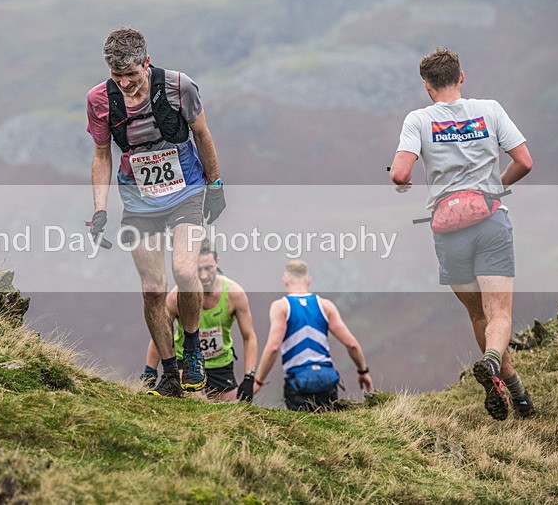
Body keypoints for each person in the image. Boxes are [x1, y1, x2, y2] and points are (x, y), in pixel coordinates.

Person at [389, 47, 535, 420]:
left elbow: (400, 174)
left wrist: (403, 184)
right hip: (490, 221)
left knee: (479, 316)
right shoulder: (490, 110)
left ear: (427, 86)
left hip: (449, 230)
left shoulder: (418, 120)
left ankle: (515, 390)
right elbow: (524, 162)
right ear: (462, 77)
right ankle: (494, 365)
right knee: (499, 312)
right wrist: (493, 190)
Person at [86, 27, 226, 397]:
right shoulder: (100, 100)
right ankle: (168, 371)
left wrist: (215, 185)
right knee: (152, 289)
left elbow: (202, 135)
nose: (126, 84)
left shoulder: (181, 86)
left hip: (186, 193)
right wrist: (100, 210)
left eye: (132, 75)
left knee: (183, 269)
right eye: (118, 77)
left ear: (146, 63)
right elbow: (102, 155)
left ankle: (192, 347)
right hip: (137, 199)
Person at [141, 241, 258, 401]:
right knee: (193, 401)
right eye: (198, 269)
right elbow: (162, 334)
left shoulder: (234, 294)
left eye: (208, 268)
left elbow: (249, 337)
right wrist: (150, 371)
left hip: (220, 365)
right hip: (186, 363)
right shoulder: (176, 297)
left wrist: (249, 378)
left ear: (217, 262)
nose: (203, 275)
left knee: (231, 413)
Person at [253, 261, 373, 412]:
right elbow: (352, 344)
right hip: (326, 381)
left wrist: (258, 381)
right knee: (329, 428)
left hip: (298, 383)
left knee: (301, 432)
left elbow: (273, 347)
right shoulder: (325, 306)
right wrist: (363, 372)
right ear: (309, 280)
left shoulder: (281, 307)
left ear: (285, 280)